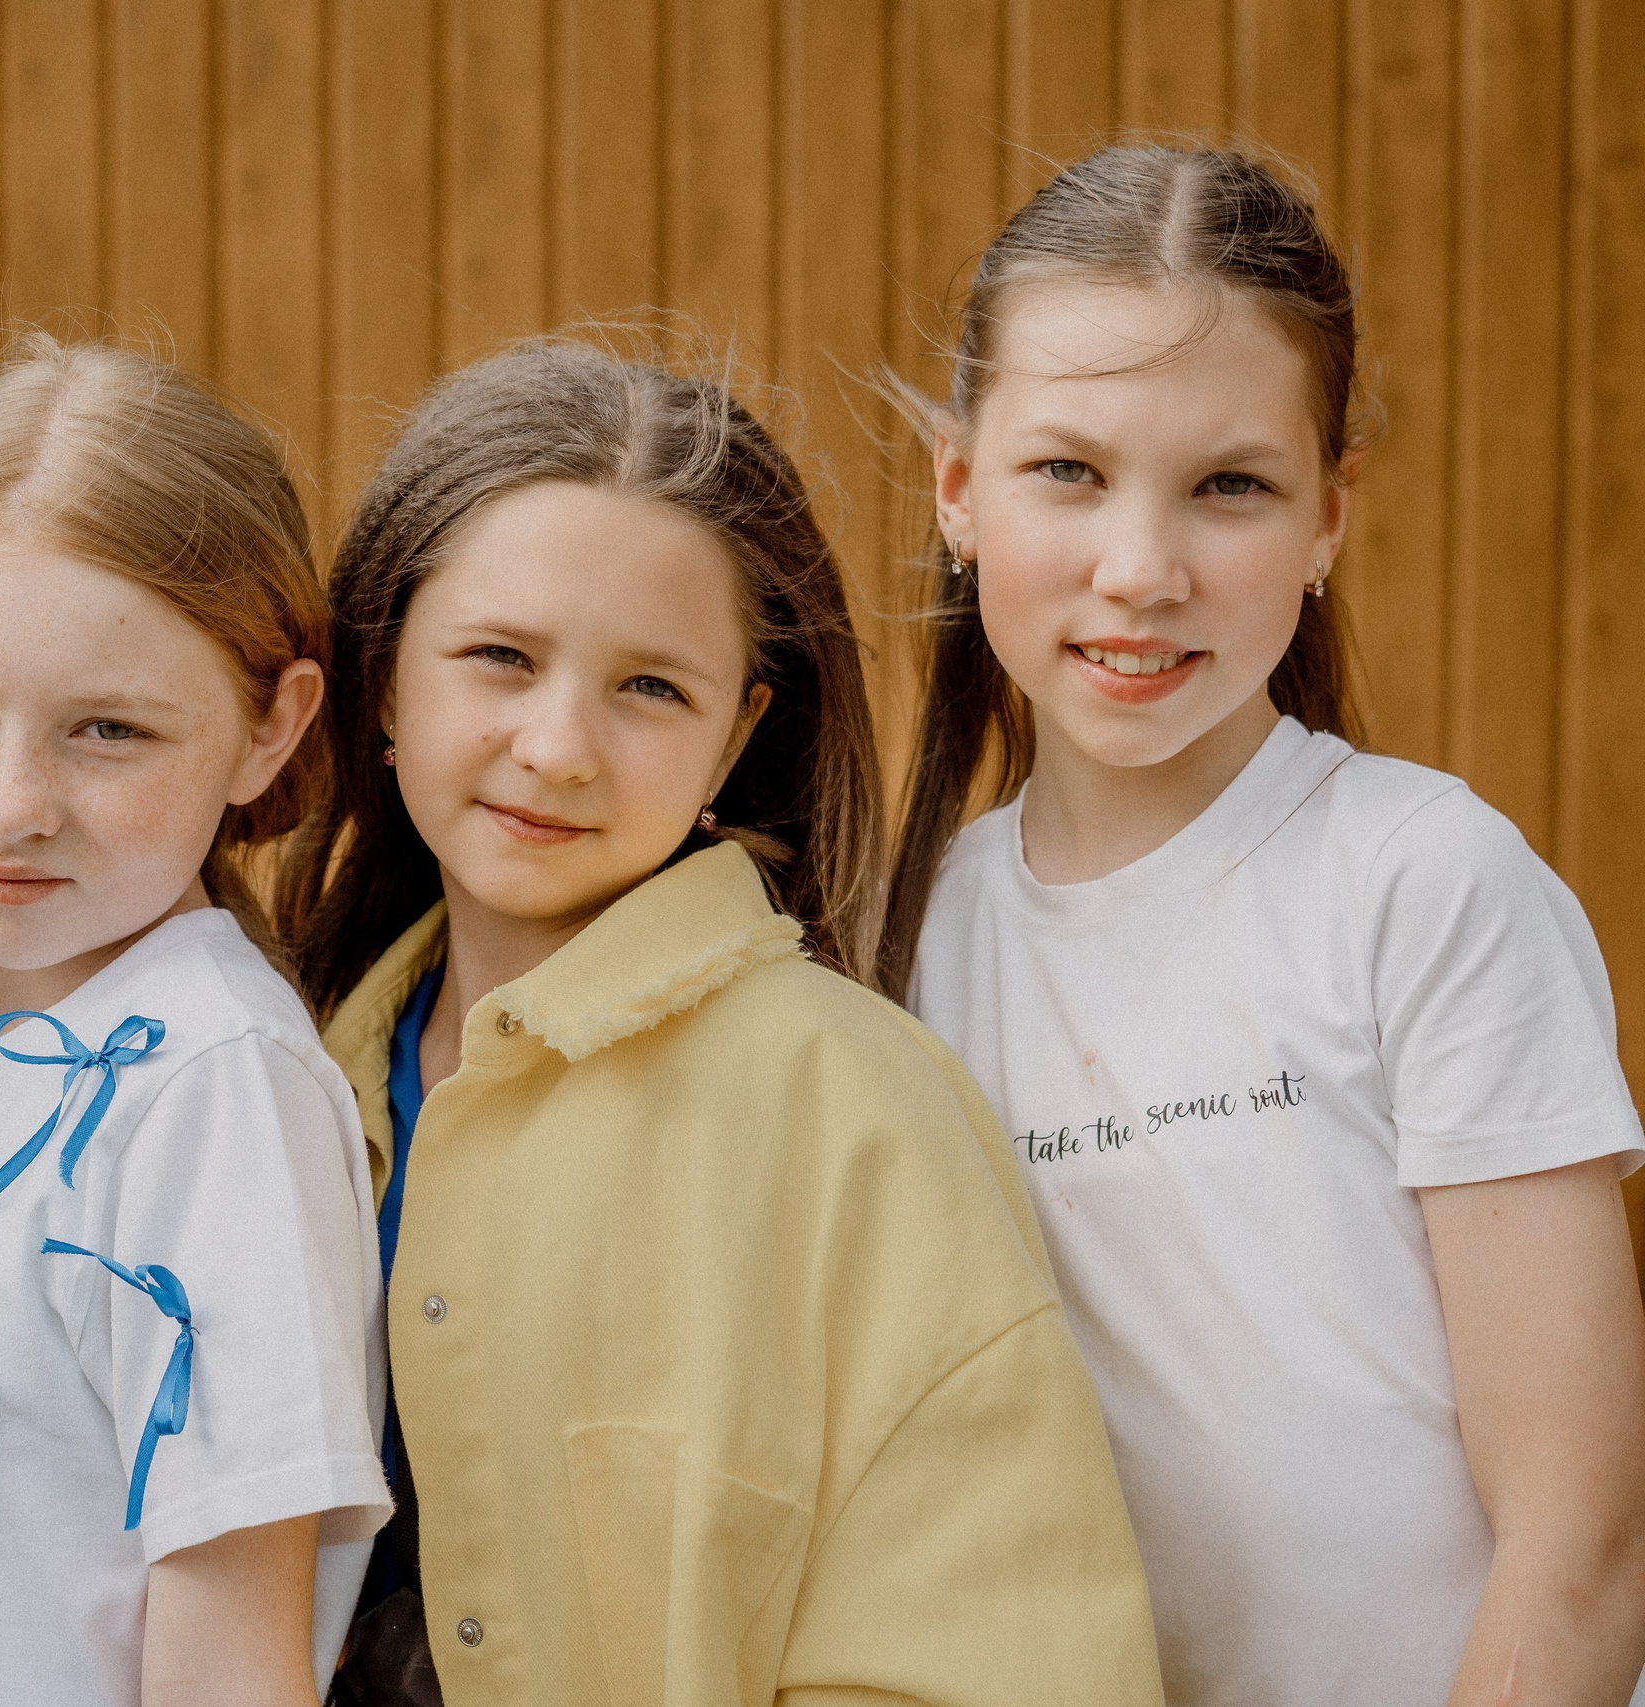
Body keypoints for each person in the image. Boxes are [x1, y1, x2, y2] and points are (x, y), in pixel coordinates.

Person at [282, 336, 1163, 1706]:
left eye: (650, 687)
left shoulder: (858, 1111)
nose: (560, 745)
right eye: (499, 656)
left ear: (739, 731)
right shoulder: (279, 1072)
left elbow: (996, 1662)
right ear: (388, 675)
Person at [884, 143, 1645, 1706]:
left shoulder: (1425, 883)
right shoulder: (912, 948)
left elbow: (1582, 1550)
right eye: (1068, 472)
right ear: (959, 489)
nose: (1140, 568)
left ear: (1326, 517)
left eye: (1230, 485)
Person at [0, 337, 388, 1707]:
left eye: (107, 731)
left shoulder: (211, 1081)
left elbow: (233, 1668)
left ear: (269, 730)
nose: (9, 805)